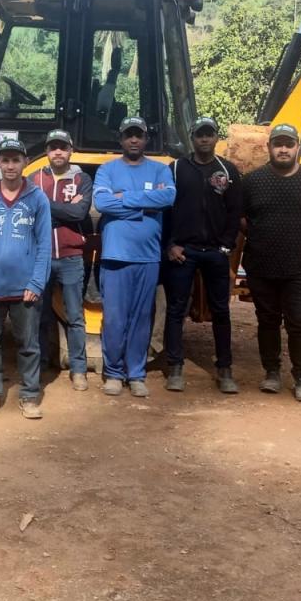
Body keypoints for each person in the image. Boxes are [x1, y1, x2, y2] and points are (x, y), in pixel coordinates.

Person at [240, 123, 301, 403]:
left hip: (299, 268)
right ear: (268, 147)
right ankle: (271, 373)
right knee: (267, 321)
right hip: (261, 266)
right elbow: (242, 218)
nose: (283, 149)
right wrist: (261, 237)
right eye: (278, 144)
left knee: (299, 322)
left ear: (298, 147)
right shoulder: (253, 181)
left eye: (289, 144)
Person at [92, 117, 176, 398]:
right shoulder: (107, 169)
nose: (134, 140)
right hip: (115, 256)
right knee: (115, 318)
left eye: (138, 135)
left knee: (141, 318)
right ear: (121, 140)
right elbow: (102, 203)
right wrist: (144, 206)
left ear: (146, 139)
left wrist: (124, 199)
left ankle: (136, 373)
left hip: (148, 257)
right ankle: (114, 373)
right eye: (129, 135)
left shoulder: (161, 170)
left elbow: (168, 199)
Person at [0, 139, 51, 419]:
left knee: (29, 345)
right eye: (5, 160)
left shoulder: (37, 198)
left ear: (25, 162)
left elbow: (44, 246)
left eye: (16, 160)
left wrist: (37, 282)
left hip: (25, 288)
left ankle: (29, 397)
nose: (11, 165)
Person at [163, 117, 242, 394]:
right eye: (199, 135)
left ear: (216, 137)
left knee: (221, 311)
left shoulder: (228, 171)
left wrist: (226, 246)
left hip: (215, 253)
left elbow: (234, 213)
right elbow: (165, 210)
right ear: (192, 138)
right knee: (176, 309)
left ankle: (224, 369)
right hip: (183, 252)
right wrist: (170, 244)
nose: (204, 139)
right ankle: (174, 367)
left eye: (209, 134)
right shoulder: (175, 169)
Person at [30, 128, 94, 390]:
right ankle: (42, 364)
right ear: (46, 151)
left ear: (70, 150)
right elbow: (31, 212)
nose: (58, 151)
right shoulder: (34, 179)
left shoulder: (82, 179)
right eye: (53, 147)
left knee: (75, 316)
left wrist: (47, 206)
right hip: (40, 258)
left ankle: (78, 369)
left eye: (63, 147)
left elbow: (80, 213)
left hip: (71, 257)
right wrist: (62, 210)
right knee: (38, 314)